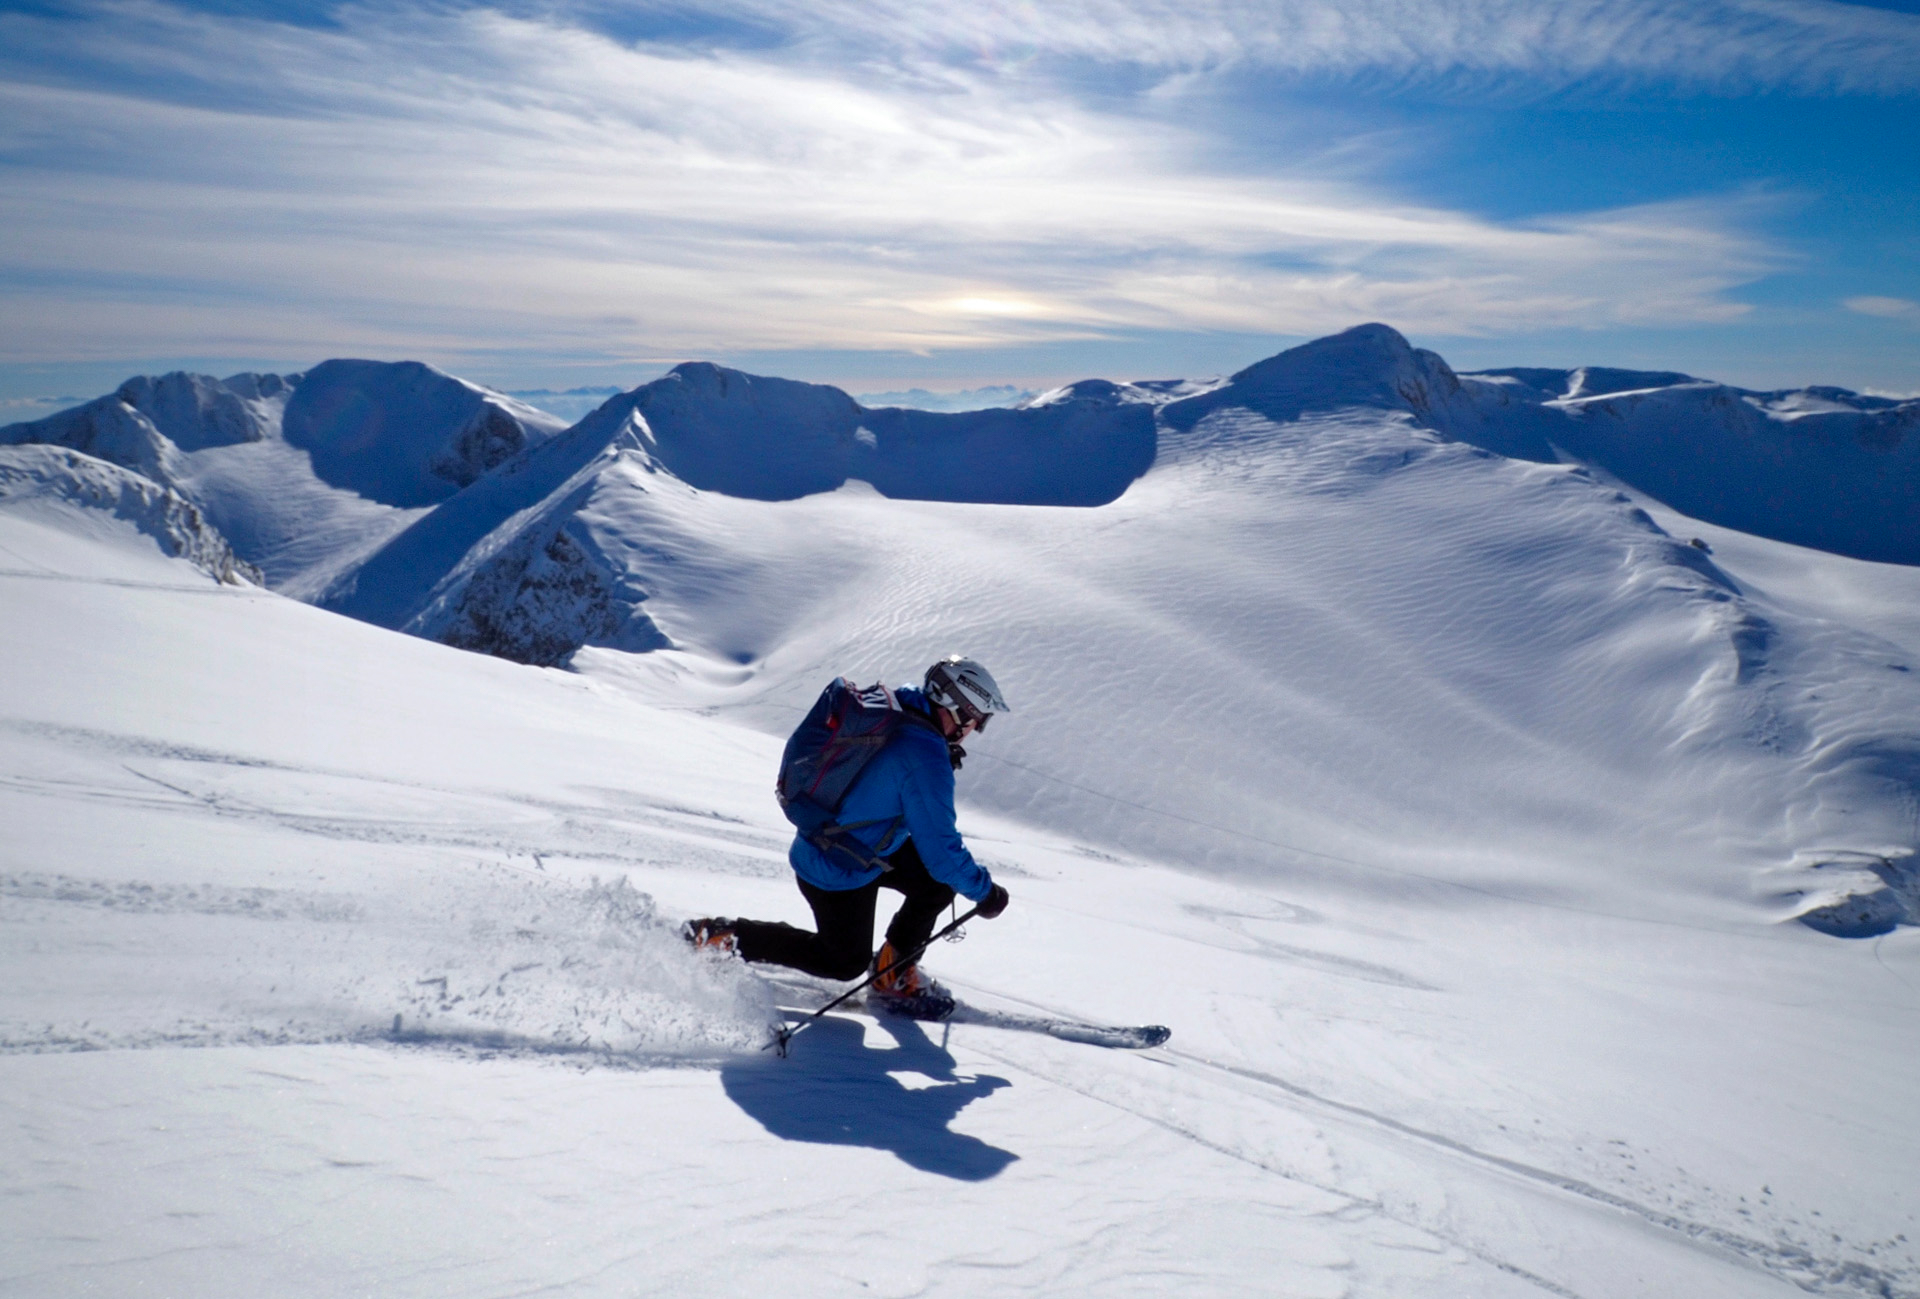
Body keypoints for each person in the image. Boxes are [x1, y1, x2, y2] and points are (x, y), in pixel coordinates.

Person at [684, 655, 1013, 1019]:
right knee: (842, 962)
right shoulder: (925, 757)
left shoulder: (902, 706)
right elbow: (942, 852)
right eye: (978, 721)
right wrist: (986, 894)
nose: (975, 731)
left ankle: (893, 972)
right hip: (838, 866)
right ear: (960, 709)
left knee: (935, 884)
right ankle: (721, 936)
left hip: (848, 841)